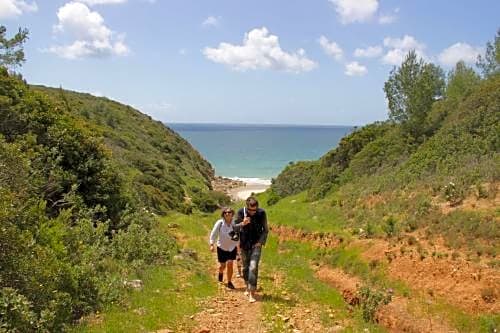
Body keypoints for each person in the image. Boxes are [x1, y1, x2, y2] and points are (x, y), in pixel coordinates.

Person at [234, 196, 269, 303]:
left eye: (255, 210)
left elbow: (266, 230)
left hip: (256, 245)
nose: (253, 212)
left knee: (253, 267)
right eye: (250, 210)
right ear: (246, 207)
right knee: (245, 267)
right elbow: (234, 227)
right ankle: (247, 286)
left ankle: (251, 293)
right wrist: (242, 223)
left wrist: (260, 242)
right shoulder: (241, 212)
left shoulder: (262, 213)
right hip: (244, 245)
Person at [209, 207, 239, 289]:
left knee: (230, 264)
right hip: (221, 247)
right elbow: (214, 233)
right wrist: (211, 244)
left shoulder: (235, 223)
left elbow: (239, 234)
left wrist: (238, 246)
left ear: (232, 214)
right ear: (223, 214)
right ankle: (220, 273)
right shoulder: (220, 223)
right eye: (225, 212)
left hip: (232, 247)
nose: (227, 213)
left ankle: (229, 281)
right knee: (223, 266)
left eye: (229, 212)